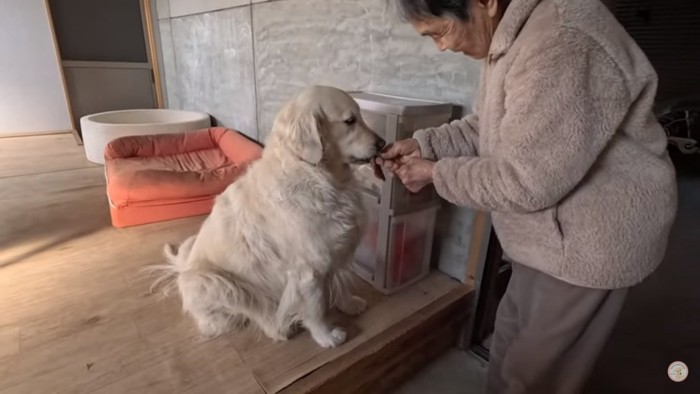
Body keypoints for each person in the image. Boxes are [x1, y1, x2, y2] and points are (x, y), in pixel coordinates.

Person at [380, 0, 678, 393]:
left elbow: (525, 181)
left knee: (535, 375)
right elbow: (492, 125)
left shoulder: (563, 40)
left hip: (588, 242)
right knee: (507, 343)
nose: (441, 47)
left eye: (440, 32)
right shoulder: (510, 34)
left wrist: (435, 174)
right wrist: (427, 145)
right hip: (541, 236)